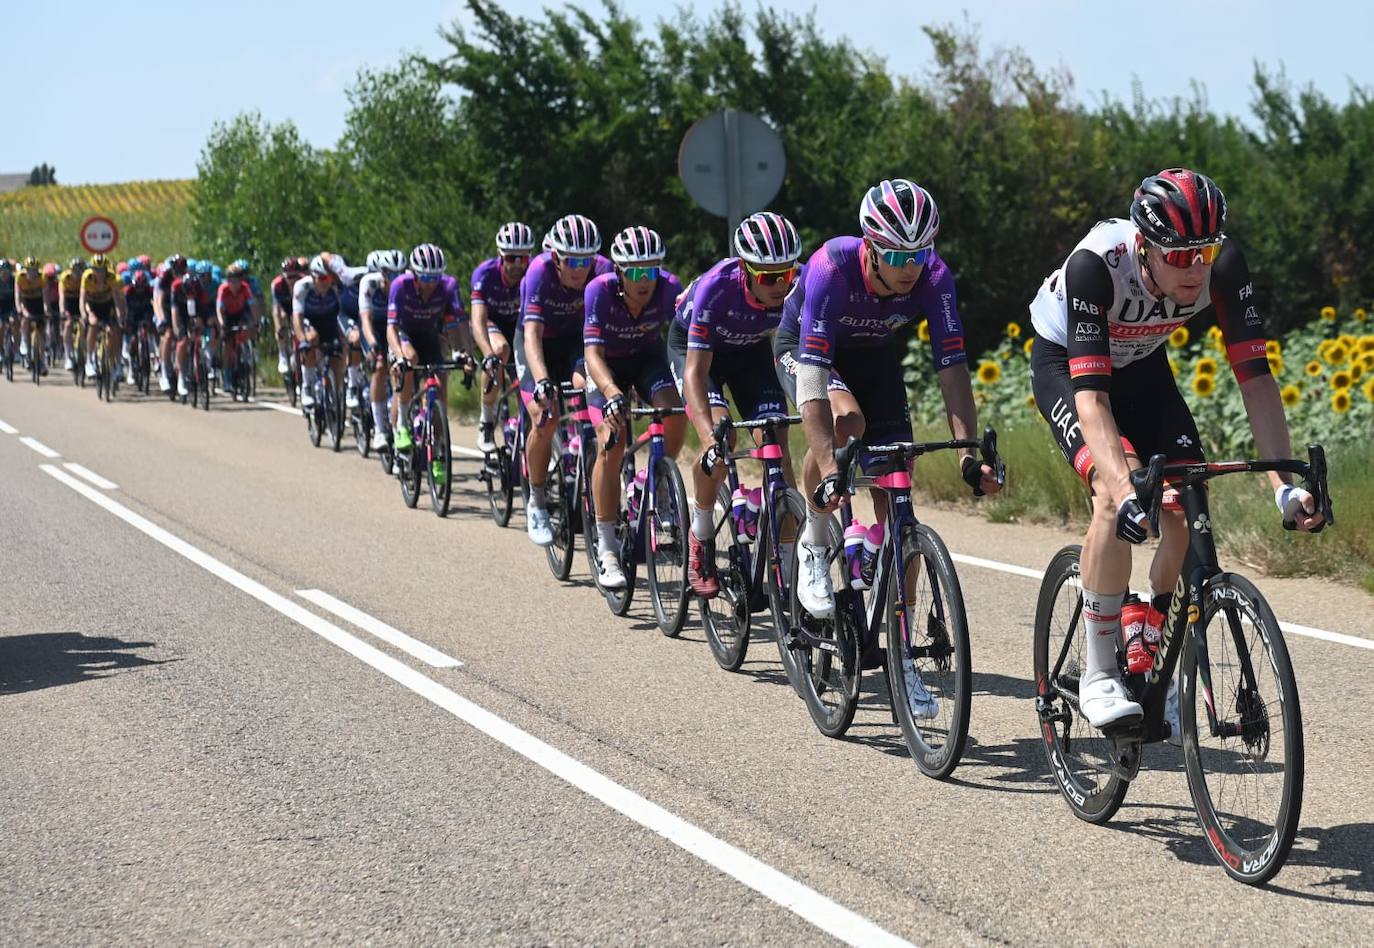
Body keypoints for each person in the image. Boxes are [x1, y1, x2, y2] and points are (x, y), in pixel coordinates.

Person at [1027, 168, 1325, 731]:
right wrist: (1123, 488)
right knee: (1116, 502)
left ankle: (1151, 633)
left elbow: (1256, 379)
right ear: (1144, 246)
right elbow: (1091, 399)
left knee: (1183, 510)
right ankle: (1098, 671)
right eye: (1180, 256)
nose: (1198, 269)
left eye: (1205, 252)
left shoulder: (1222, 266)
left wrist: (1284, 487)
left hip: (1143, 370)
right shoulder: (1096, 266)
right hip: (1070, 368)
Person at [777, 178, 1002, 625]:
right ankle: (815, 541)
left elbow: (952, 367)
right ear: (872, 246)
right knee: (849, 421)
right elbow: (815, 381)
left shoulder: (935, 276)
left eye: (920, 253)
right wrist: (829, 470)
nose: (911, 266)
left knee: (898, 481)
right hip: (807, 350)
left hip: (874, 354)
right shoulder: (831, 267)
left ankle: (903, 642)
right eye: (898, 255)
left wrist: (966, 456)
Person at [669, 211, 803, 598]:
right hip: (696, 355)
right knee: (722, 444)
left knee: (776, 436)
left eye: (787, 274)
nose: (781, 285)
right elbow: (695, 373)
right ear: (746, 270)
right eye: (768, 277)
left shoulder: (799, 282)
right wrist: (709, 438)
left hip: (749, 353)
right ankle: (701, 533)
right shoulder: (717, 287)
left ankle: (790, 564)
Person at [582, 226, 685, 587]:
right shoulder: (599, 291)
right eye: (637, 272)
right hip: (605, 366)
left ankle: (654, 481)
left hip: (646, 359)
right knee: (612, 440)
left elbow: (686, 334)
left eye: (652, 270)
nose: (646, 280)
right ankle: (607, 545)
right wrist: (611, 392)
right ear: (620, 272)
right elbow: (591, 353)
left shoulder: (669, 287)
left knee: (675, 411)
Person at [517, 214, 613, 546]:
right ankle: (537, 499)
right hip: (538, 343)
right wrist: (542, 380)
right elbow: (531, 334)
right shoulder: (538, 272)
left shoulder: (604, 270)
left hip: (575, 343)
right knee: (544, 418)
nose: (579, 268)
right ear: (556, 257)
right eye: (572, 260)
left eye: (586, 260)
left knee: (589, 389)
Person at [386, 244, 471, 483]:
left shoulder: (449, 286)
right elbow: (391, 327)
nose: (431, 282)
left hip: (431, 336)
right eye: (425, 277)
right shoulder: (400, 286)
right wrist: (399, 356)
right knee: (410, 361)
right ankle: (402, 425)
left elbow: (459, 323)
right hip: (404, 336)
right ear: (414, 273)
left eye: (435, 277)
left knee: (439, 383)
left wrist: (465, 354)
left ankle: (437, 451)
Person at [471, 221, 535, 451]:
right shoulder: (485, 274)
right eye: (511, 258)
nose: (517, 264)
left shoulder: (534, 274)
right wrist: (487, 354)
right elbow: (478, 320)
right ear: (500, 255)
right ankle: (486, 421)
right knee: (500, 352)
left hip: (520, 324)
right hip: (493, 323)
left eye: (523, 258)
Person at [359, 249, 406, 451]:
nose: (395, 278)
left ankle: (398, 427)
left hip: (395, 330)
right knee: (379, 367)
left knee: (400, 371)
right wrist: (373, 345)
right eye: (390, 274)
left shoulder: (406, 286)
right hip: (374, 330)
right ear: (382, 273)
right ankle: (379, 429)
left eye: (399, 273)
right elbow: (366, 321)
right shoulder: (369, 283)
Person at [293, 254, 345, 409]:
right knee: (311, 339)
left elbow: (343, 314)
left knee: (338, 355)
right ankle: (307, 387)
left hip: (329, 321)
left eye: (328, 279)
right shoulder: (302, 287)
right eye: (322, 279)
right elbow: (297, 317)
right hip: (310, 321)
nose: (325, 283)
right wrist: (302, 340)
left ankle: (337, 392)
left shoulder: (335, 288)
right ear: (313, 277)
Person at [79, 255, 128, 380]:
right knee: (93, 325)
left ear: (106, 270)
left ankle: (117, 363)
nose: (99, 273)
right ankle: (89, 360)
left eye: (102, 270)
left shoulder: (112, 278)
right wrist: (85, 315)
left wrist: (120, 317)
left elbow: (117, 301)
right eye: (96, 269)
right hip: (92, 305)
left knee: (115, 330)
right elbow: (82, 299)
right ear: (92, 269)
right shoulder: (87, 277)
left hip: (107, 305)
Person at [217, 263, 256, 386]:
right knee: (228, 346)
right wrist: (222, 324)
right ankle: (227, 377)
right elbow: (219, 309)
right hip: (227, 314)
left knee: (245, 331)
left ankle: (246, 355)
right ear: (227, 280)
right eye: (231, 281)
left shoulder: (245, 288)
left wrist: (254, 322)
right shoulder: (223, 289)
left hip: (240, 313)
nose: (234, 284)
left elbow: (252, 306)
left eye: (237, 280)